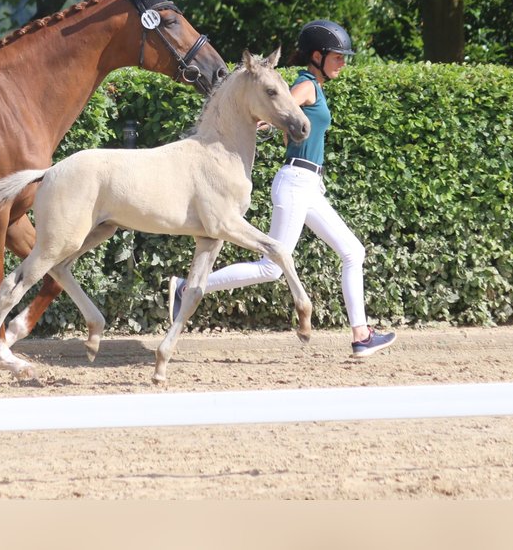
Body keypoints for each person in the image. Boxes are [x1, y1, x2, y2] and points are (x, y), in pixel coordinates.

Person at [168, 19, 396, 358]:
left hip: (308, 185)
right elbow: (284, 106)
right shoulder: (306, 85)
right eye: (337, 56)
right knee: (271, 268)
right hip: (295, 183)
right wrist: (263, 121)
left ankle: (361, 335)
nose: (343, 63)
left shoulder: (314, 85)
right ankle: (187, 288)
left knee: (353, 252)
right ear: (317, 55)